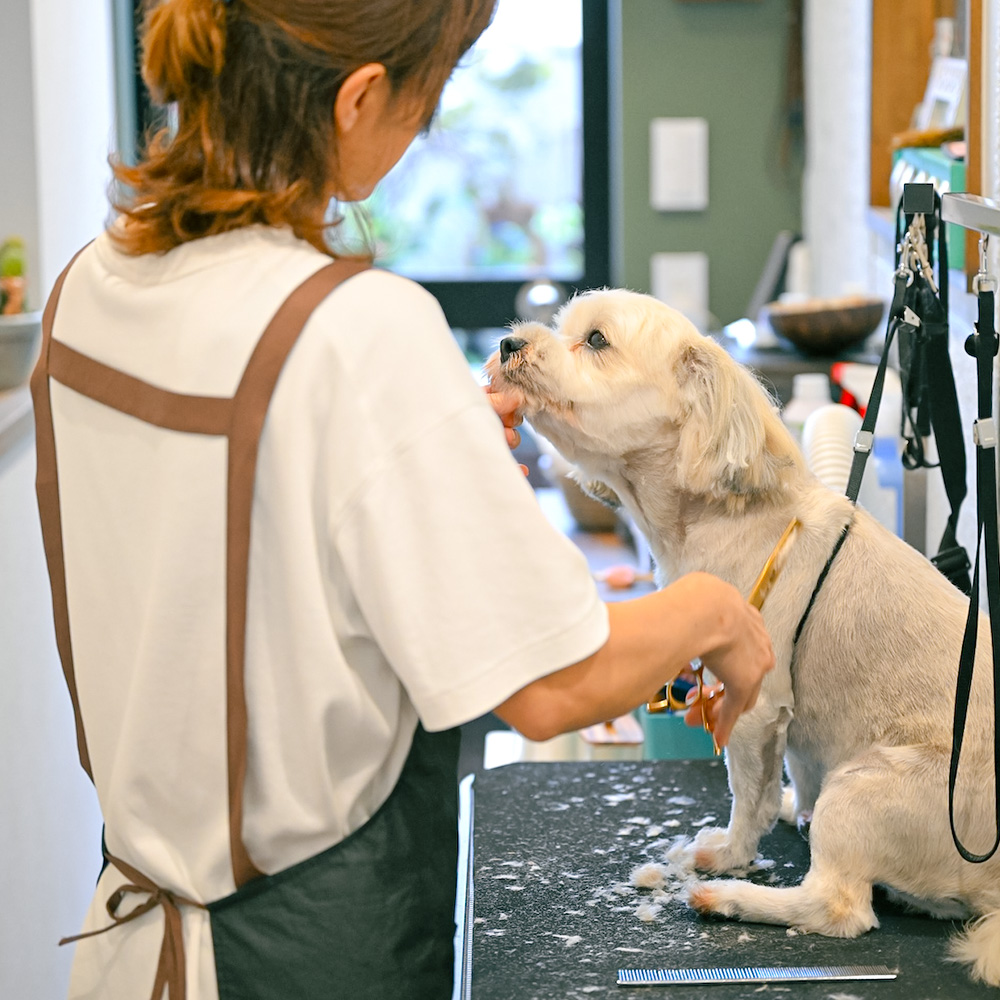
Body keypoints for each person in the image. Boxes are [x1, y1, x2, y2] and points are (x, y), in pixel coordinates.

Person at [31, 2, 775, 998]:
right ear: (358, 96)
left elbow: (225, 529)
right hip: (307, 952)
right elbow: (553, 684)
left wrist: (426, 440)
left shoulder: (87, 286)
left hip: (130, 929)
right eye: (424, 103)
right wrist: (717, 609)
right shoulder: (358, 331)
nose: (419, 136)